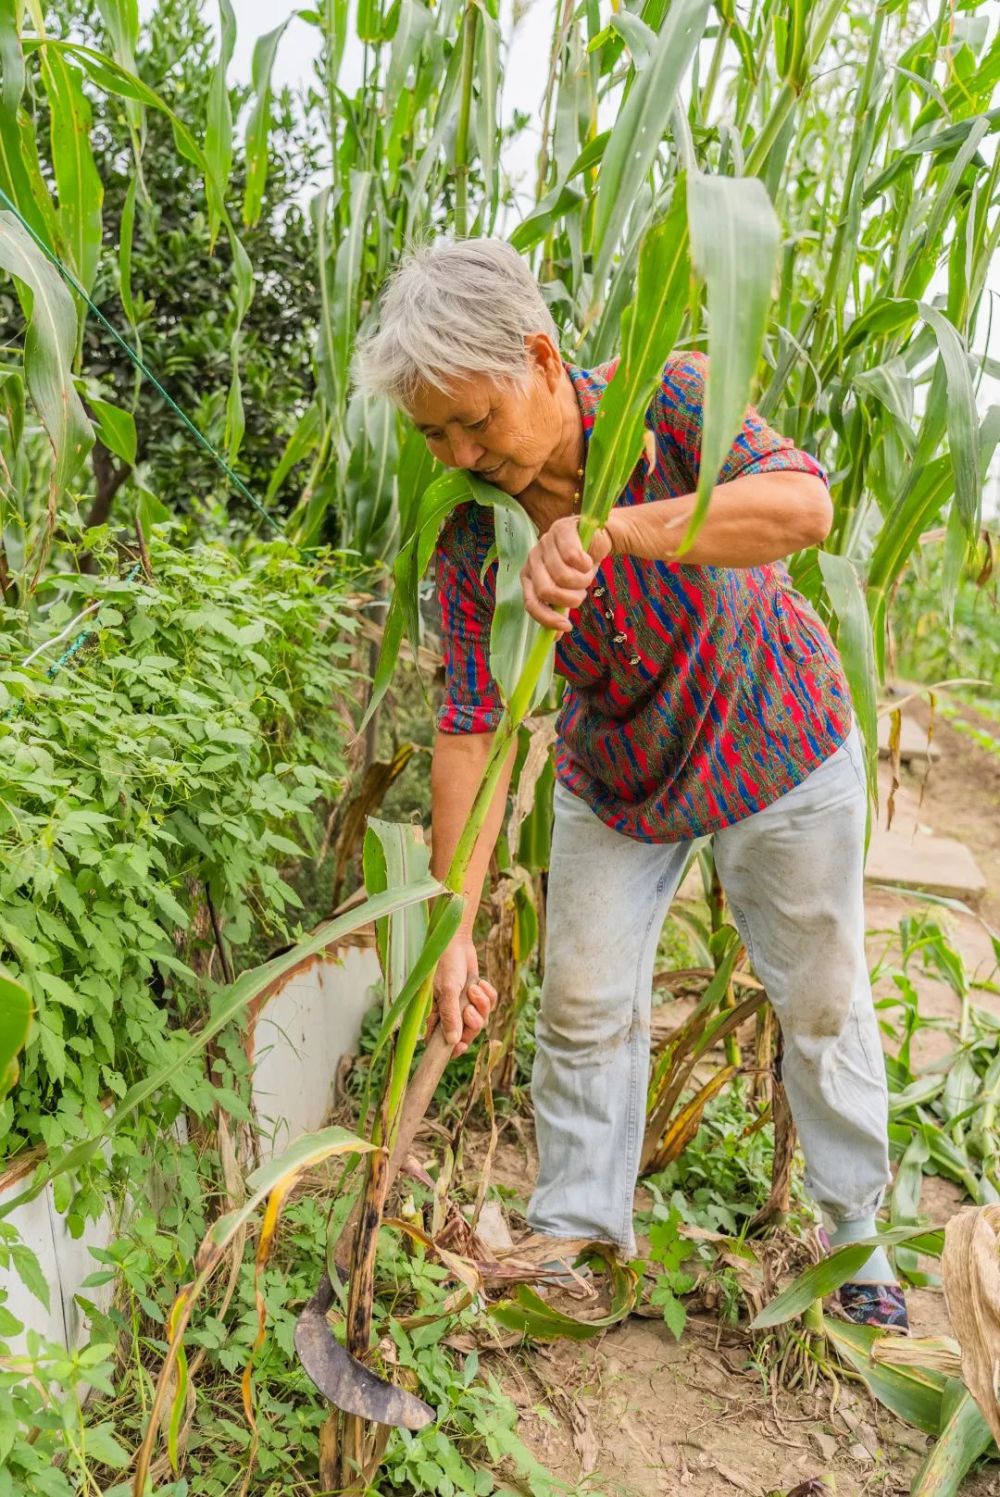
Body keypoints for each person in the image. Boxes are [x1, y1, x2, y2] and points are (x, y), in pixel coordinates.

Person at [353, 237, 908, 1332]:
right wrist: (451, 927)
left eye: (477, 419)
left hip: (777, 748)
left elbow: (801, 508)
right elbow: (471, 732)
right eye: (434, 434)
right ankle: (576, 1239)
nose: (463, 450)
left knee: (823, 999)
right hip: (619, 784)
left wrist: (613, 531)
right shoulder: (470, 534)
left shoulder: (673, 394)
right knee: (583, 1005)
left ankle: (857, 1241)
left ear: (543, 361)